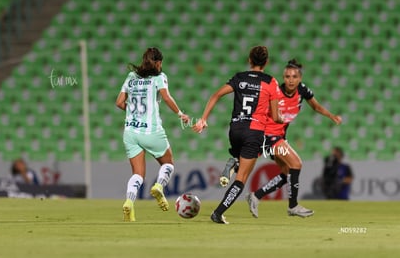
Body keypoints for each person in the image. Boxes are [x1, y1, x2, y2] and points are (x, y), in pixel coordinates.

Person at [234, 59, 342, 218]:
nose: (290, 80)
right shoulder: (275, 92)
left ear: (300, 78)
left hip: (279, 136)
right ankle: (293, 206)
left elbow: (316, 106)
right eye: (287, 76)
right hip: (268, 135)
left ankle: (255, 196)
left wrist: (331, 116)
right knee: (296, 163)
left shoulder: (302, 91)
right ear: (283, 78)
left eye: (294, 77)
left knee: (287, 173)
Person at [193, 45, 283, 224]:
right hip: (254, 132)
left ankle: (234, 159)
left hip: (235, 130)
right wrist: (283, 117)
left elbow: (216, 95)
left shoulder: (239, 77)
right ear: (266, 62)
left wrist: (203, 119)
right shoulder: (270, 82)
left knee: (239, 155)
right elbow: (275, 116)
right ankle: (218, 213)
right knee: (241, 179)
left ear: (250, 60)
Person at [116, 47, 189, 222]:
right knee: (169, 164)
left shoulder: (131, 78)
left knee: (138, 174)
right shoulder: (159, 77)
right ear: (157, 63)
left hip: (130, 132)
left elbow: (119, 103)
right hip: (151, 131)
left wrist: (133, 112)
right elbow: (166, 97)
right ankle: (159, 186)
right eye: (160, 63)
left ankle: (129, 203)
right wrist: (180, 114)